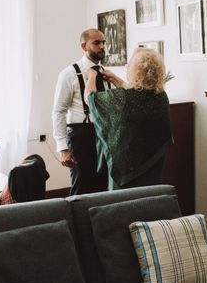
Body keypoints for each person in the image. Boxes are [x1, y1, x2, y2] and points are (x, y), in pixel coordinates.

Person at [84, 48, 172, 190]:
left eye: (129, 64)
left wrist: (91, 76)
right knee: (147, 202)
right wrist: (113, 78)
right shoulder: (161, 97)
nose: (127, 67)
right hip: (152, 163)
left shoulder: (122, 98)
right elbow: (135, 94)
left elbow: (91, 98)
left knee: (123, 205)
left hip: (126, 169)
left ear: (136, 71)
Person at [52, 28, 109, 195]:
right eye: (96, 43)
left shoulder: (106, 74)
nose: (102, 46)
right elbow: (58, 111)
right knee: (82, 188)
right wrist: (62, 148)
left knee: (104, 187)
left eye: (104, 42)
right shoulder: (69, 74)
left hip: (105, 135)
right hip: (82, 136)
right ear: (84, 46)